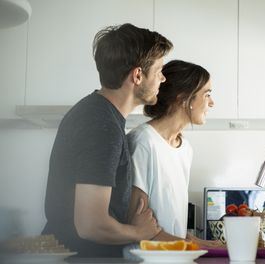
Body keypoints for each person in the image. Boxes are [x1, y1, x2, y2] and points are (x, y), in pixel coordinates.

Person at [41, 23, 173, 258]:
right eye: (159, 69)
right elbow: (91, 224)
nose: (163, 78)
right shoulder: (101, 125)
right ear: (138, 75)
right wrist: (138, 231)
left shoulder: (100, 115)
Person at [127, 60, 221, 247]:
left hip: (173, 255)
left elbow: (170, 224)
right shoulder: (144, 142)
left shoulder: (185, 148)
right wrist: (196, 247)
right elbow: (138, 225)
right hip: (145, 258)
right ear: (183, 98)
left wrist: (203, 243)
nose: (212, 103)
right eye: (207, 94)